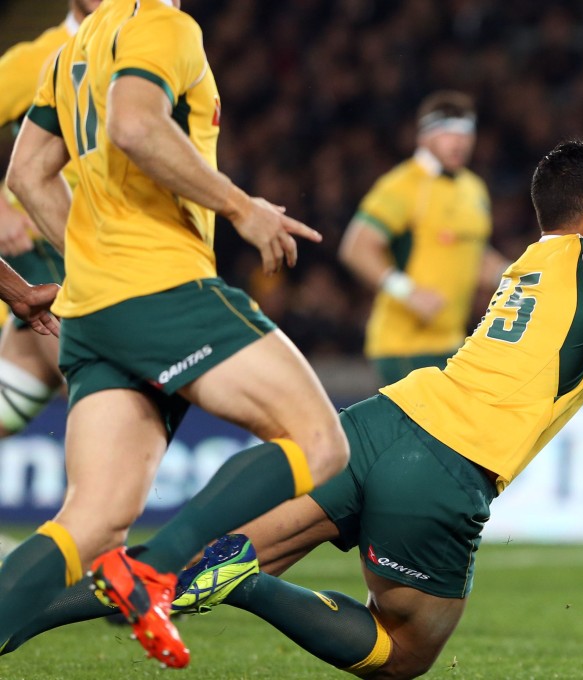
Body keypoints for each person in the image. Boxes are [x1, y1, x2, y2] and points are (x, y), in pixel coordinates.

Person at [0, 140, 583, 678]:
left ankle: (30, 611)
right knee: (403, 652)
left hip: (379, 422)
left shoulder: (530, 265)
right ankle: (248, 582)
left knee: (184, 566)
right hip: (441, 473)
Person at [0, 0, 349, 669]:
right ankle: (156, 570)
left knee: (91, 521)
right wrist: (240, 207)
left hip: (96, 309)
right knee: (320, 442)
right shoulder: (161, 24)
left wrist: (89, 266)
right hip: (160, 291)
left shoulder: (77, 48)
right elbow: (134, 126)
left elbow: (27, 174)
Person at [339, 90, 508, 386]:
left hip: (453, 342)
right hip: (404, 346)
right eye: (447, 132)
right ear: (424, 137)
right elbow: (356, 247)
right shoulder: (403, 185)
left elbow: (474, 255)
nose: (458, 141)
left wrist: (517, 276)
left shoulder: (474, 188)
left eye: (465, 132)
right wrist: (407, 291)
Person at [0, 0, 101, 439]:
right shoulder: (33, 60)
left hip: (101, 255)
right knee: (104, 397)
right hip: (37, 256)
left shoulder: (135, 54)